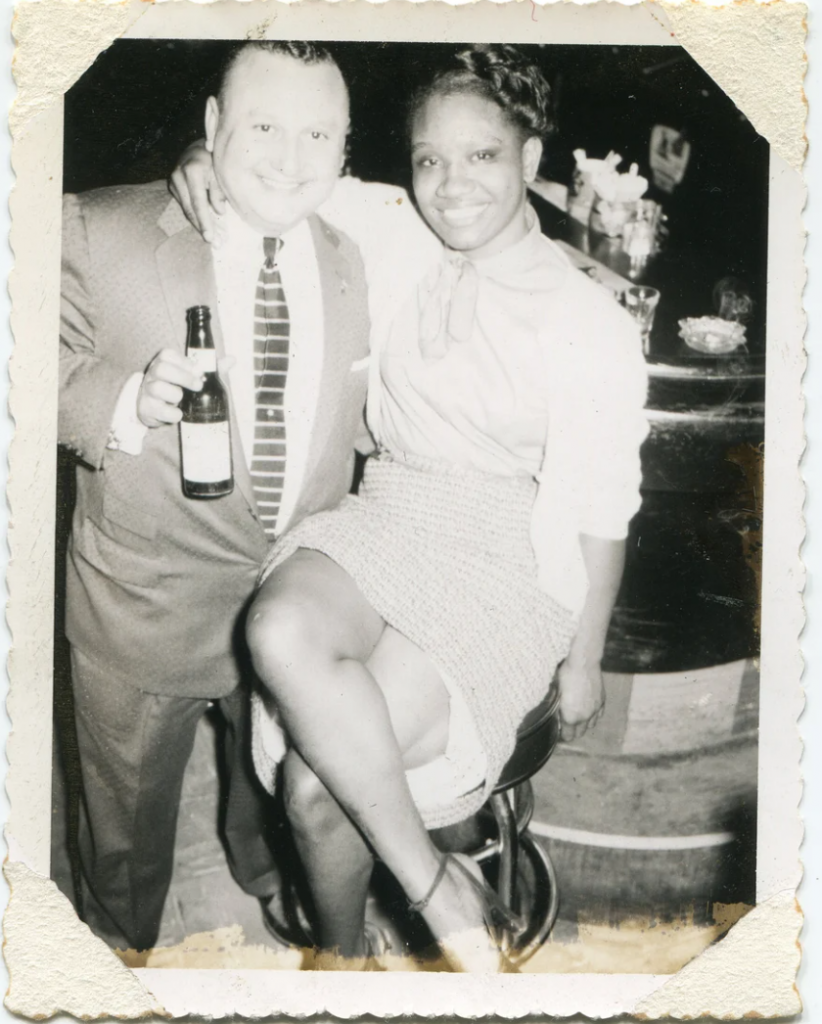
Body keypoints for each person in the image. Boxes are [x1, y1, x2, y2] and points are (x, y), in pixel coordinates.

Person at [173, 45, 648, 972]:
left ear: (532, 160)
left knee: (317, 793)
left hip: (505, 553)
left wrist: (585, 656)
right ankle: (433, 885)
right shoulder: (391, 226)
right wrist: (201, 164)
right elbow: (273, 177)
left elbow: (602, 507)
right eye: (429, 158)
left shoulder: (588, 317)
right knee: (275, 630)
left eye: (482, 156)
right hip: (389, 507)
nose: (450, 183)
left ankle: (341, 966)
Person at [57, 40, 390, 951]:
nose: (291, 157)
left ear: (347, 143)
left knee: (270, 792)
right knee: (123, 837)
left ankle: (266, 878)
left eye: (318, 132)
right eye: (264, 126)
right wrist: (121, 400)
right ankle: (117, 952)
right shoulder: (96, 228)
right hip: (142, 610)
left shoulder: (360, 254)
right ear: (211, 126)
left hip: (286, 609)